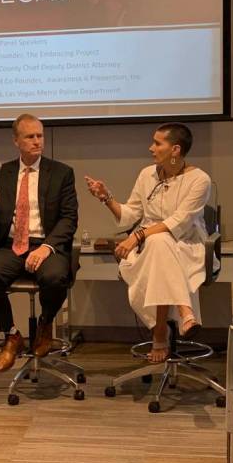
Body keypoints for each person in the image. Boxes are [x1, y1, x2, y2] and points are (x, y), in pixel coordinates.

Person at [85, 123, 213, 362]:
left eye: (157, 143)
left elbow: (179, 222)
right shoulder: (147, 174)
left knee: (159, 241)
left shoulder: (200, 180)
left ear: (175, 150)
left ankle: (159, 333)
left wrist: (138, 236)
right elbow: (130, 214)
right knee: (158, 243)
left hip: (187, 246)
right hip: (149, 249)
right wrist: (106, 197)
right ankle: (186, 312)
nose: (151, 148)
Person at [0, 114, 78, 372]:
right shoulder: (3, 173)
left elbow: (69, 219)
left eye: (39, 136)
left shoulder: (62, 173)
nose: (36, 141)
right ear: (16, 141)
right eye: (30, 137)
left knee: (55, 277)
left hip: (46, 244)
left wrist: (46, 248)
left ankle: (45, 325)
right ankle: (12, 335)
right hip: (11, 245)